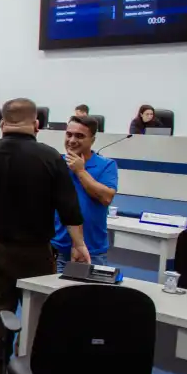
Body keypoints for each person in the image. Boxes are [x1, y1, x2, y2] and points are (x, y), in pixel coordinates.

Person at [0, 98, 89, 374]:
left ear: (2, 124)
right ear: (36, 125)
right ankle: (29, 370)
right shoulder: (51, 158)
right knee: (37, 309)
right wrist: (79, 244)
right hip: (35, 250)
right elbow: (69, 209)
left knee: (1, 307)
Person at [52, 116, 118, 272]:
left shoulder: (106, 165)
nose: (72, 140)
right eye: (69, 134)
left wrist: (80, 171)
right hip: (57, 248)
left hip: (91, 251)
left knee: (87, 289)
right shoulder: (56, 163)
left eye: (80, 136)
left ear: (92, 140)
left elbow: (106, 198)